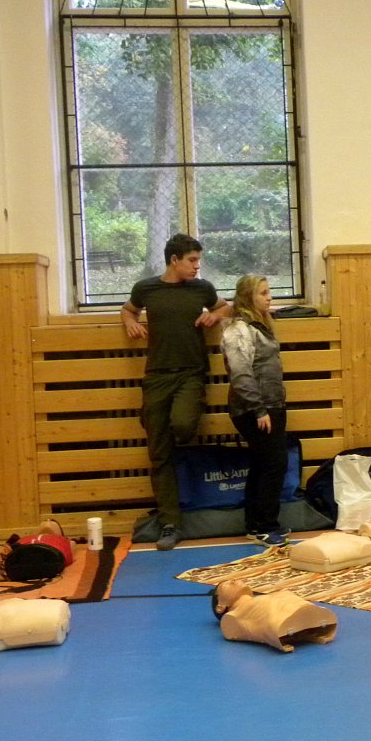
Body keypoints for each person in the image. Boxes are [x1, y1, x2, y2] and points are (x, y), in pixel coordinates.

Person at [122, 233, 230, 551]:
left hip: (190, 374)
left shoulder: (202, 288)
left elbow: (226, 307)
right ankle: (170, 522)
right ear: (174, 260)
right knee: (159, 453)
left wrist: (215, 315)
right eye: (192, 260)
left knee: (182, 425)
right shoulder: (146, 288)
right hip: (157, 376)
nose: (197, 266)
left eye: (198, 260)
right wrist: (130, 322)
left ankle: (180, 463)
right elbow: (128, 309)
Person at [221, 274, 290, 547]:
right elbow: (240, 374)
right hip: (254, 409)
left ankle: (257, 524)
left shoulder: (259, 326)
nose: (269, 297)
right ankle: (264, 526)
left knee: (263, 464)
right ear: (248, 298)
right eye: (263, 293)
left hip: (271, 405)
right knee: (273, 465)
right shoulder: (238, 330)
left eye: (269, 291)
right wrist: (259, 410)